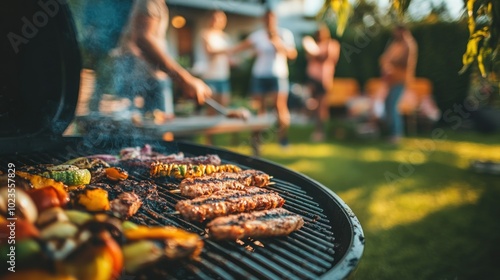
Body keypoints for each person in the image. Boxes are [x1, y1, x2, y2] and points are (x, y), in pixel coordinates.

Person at [112, 0, 212, 124]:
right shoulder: (150, 1)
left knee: (158, 134)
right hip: (144, 79)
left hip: (152, 77)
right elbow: (143, 39)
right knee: (155, 134)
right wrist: (185, 79)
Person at [231, 10, 297, 147]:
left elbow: (292, 55)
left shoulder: (284, 34)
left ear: (275, 20)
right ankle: (257, 140)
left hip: (278, 75)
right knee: (258, 108)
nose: (269, 21)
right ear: (263, 20)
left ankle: (283, 139)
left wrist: (277, 42)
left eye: (271, 19)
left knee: (280, 107)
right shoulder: (257, 36)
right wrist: (225, 52)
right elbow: (240, 47)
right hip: (259, 75)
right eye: (266, 19)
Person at [379, 24, 418, 144]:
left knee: (393, 106)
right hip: (391, 80)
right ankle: (391, 132)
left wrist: (390, 61)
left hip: (401, 80)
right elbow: (385, 58)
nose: (394, 34)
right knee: (387, 105)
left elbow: (403, 61)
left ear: (402, 31)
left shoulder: (408, 44)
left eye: (396, 31)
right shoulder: (395, 44)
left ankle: (397, 135)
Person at [303, 24, 340, 142]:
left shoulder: (332, 44)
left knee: (321, 106)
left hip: (323, 79)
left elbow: (326, 57)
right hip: (312, 77)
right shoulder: (314, 45)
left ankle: (321, 131)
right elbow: (309, 58)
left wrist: (315, 53)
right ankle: (316, 129)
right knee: (312, 104)